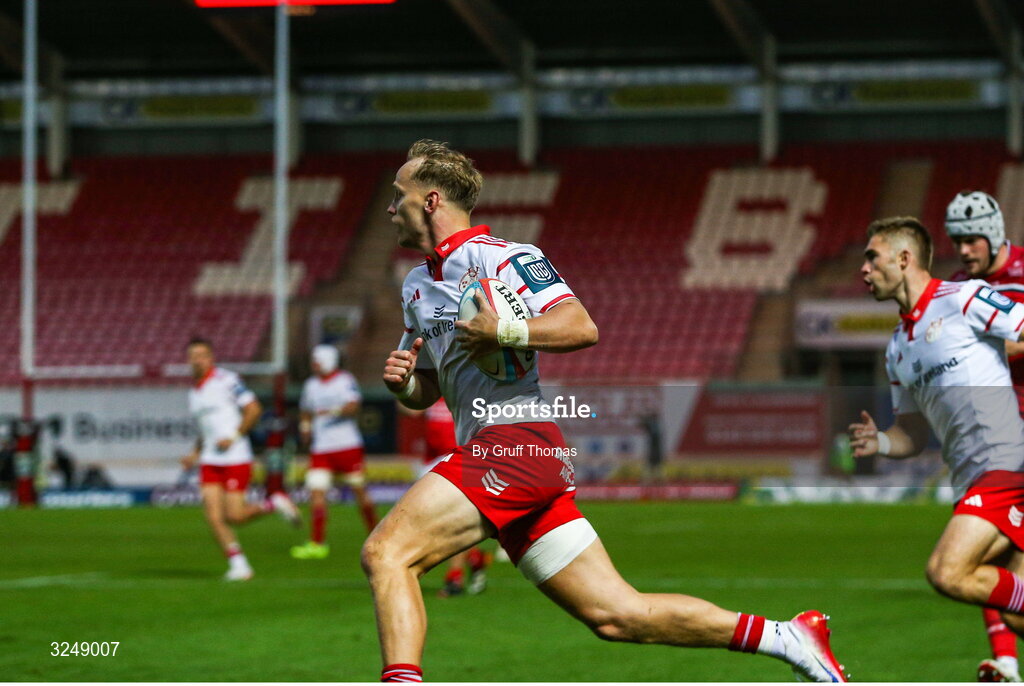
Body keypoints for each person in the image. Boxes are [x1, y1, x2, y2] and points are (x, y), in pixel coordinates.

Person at [362, 139, 847, 683]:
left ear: (429, 201)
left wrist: (502, 328)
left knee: (387, 553)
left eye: (397, 195)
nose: (389, 208)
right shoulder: (416, 285)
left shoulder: (507, 258)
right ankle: (786, 635)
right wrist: (406, 387)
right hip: (500, 451)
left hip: (517, 444)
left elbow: (580, 327)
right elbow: (428, 389)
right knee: (617, 614)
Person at [851, 216, 1024, 681]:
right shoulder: (897, 349)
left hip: (1007, 463)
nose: (863, 269)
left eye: (872, 256)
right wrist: (882, 441)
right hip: (973, 479)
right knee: (1012, 613)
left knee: (947, 571)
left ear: (904, 259)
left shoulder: (963, 297)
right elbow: (913, 433)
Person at [946, 191, 1024, 682]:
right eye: (957, 241)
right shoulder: (957, 289)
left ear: (994, 233)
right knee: (991, 564)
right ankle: (1009, 665)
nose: (965, 250)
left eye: (972, 239)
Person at [182, 337, 301, 581]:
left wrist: (234, 435)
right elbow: (205, 429)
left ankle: (273, 502)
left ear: (211, 357)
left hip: (235, 456)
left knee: (234, 516)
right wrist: (195, 452)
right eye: (193, 356)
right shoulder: (194, 390)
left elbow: (253, 408)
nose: (197, 360)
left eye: (202, 354)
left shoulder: (226, 380)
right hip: (209, 459)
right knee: (213, 516)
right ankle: (239, 565)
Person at [291, 344, 378, 560]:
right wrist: (305, 428)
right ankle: (317, 542)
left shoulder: (345, 380)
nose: (314, 365)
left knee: (359, 490)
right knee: (317, 492)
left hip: (347, 445)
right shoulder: (311, 385)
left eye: (317, 360)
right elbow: (305, 411)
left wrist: (331, 411)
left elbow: (354, 406)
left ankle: (378, 536)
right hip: (321, 448)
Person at [404, 397, 492, 596]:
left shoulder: (467, 390)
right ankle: (475, 557)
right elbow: (411, 410)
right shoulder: (433, 390)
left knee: (455, 521)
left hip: (459, 457)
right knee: (427, 523)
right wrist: (399, 386)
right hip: (431, 460)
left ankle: (455, 578)